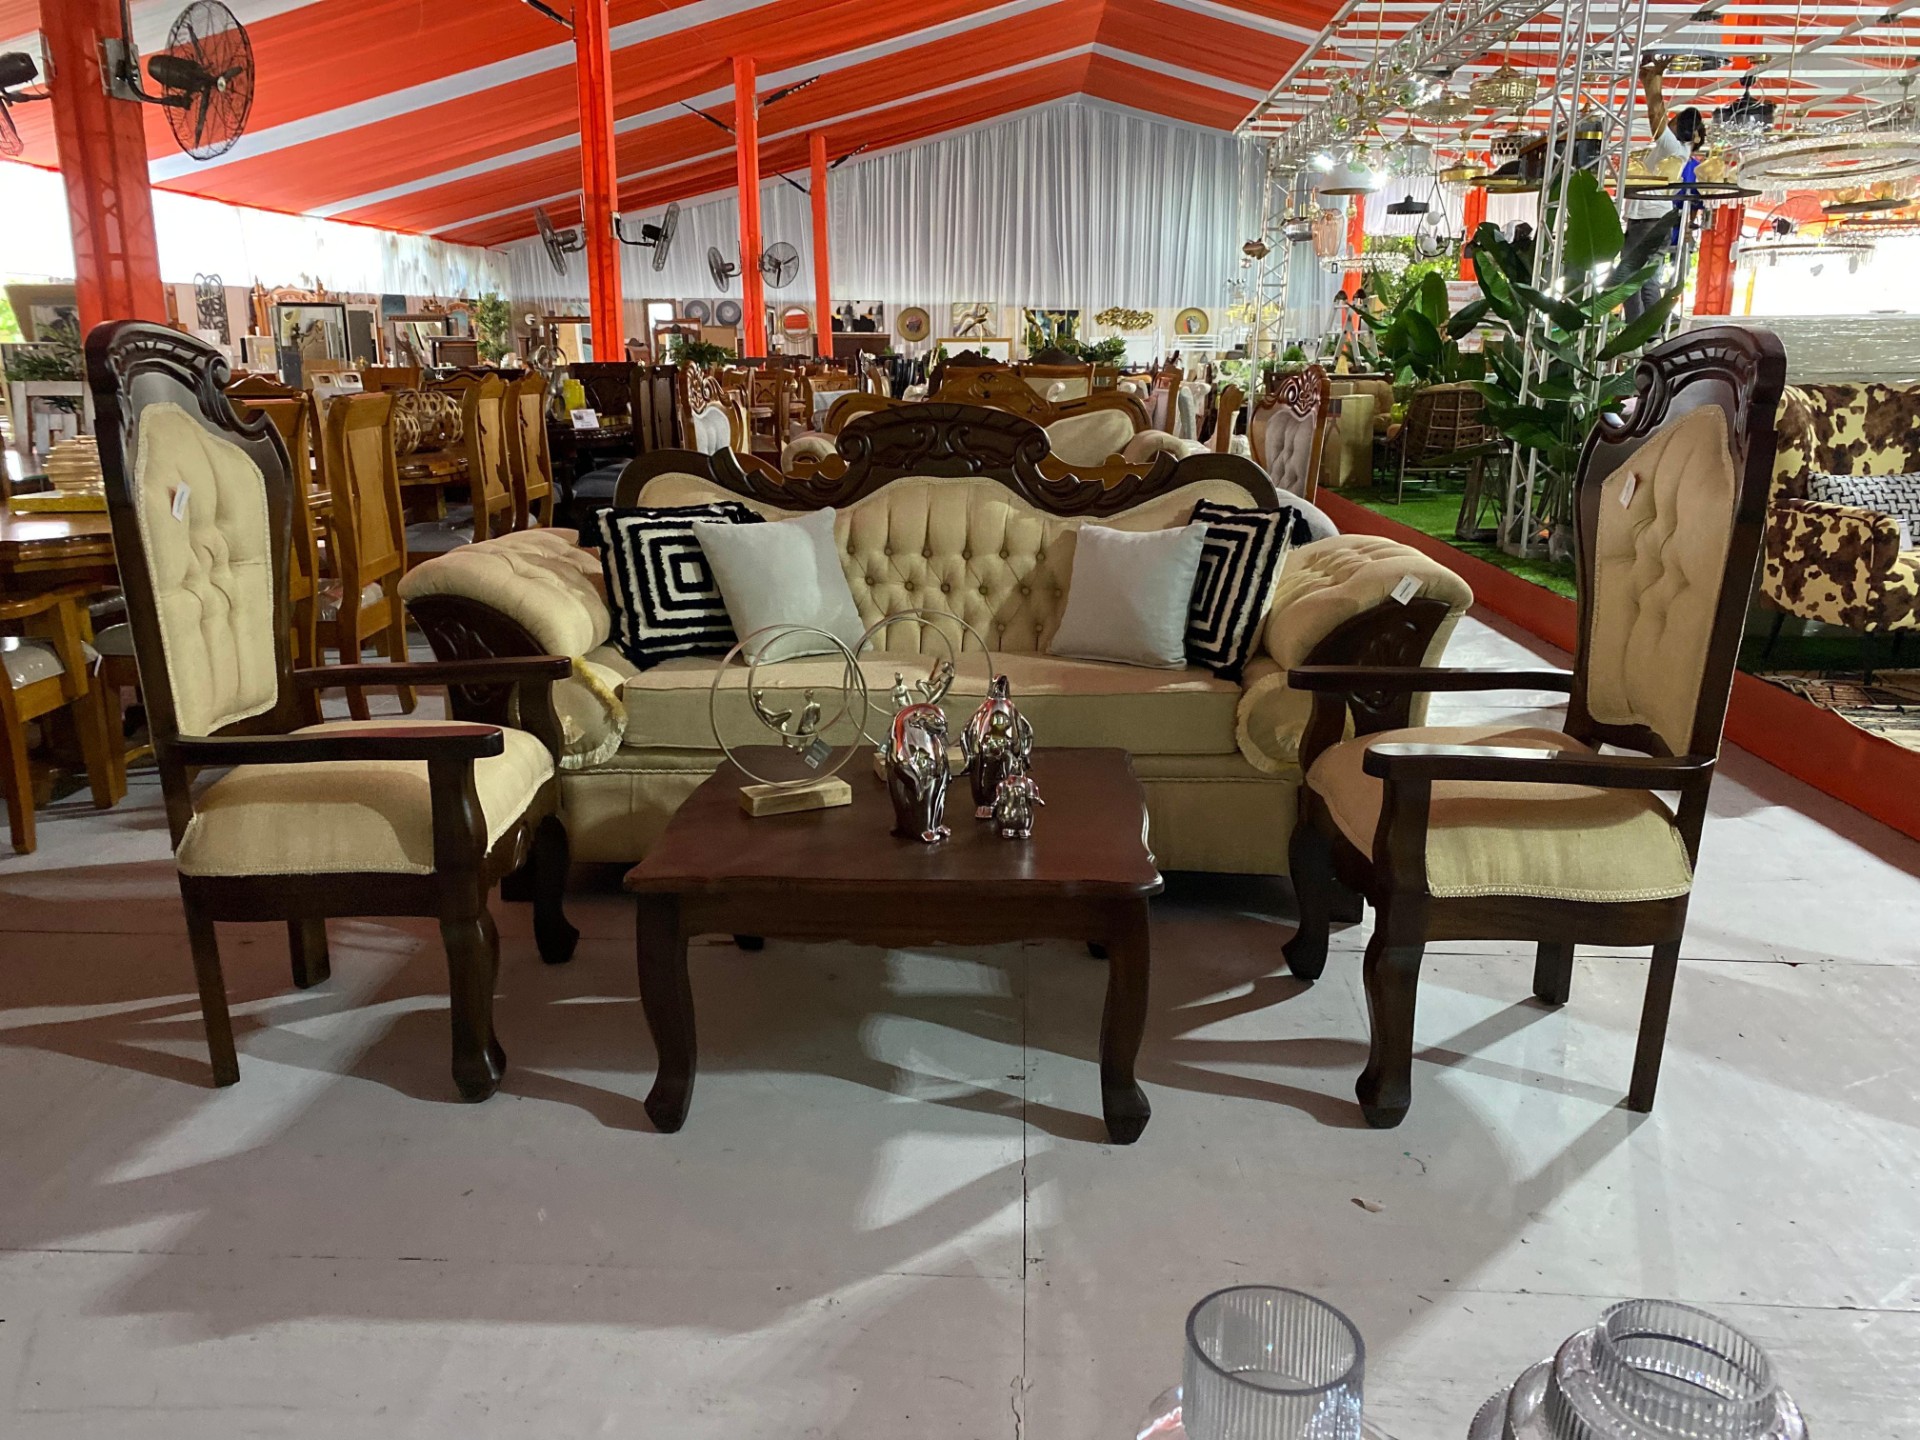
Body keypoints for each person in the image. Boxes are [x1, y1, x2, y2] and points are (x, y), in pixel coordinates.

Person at [1623, 55, 1707, 323]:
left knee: (1629, 279)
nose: (1670, 119)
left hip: (1648, 218)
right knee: (1647, 281)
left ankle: (1638, 330)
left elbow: (1656, 115)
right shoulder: (1681, 149)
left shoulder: (1673, 147)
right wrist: (1650, 81)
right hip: (1654, 217)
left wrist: (1656, 81)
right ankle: (1651, 333)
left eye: (1675, 119)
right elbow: (1658, 114)